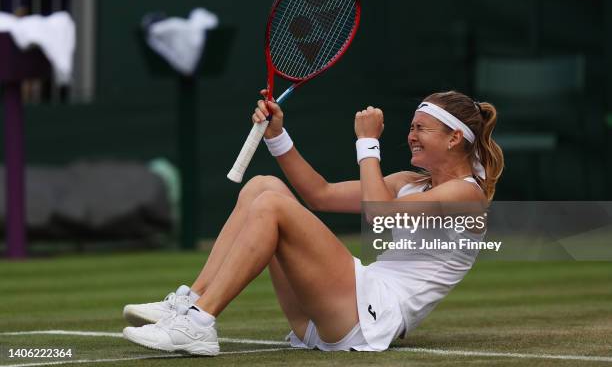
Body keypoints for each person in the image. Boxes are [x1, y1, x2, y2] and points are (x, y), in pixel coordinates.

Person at [122, 90, 504, 356]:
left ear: (455, 138)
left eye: (421, 128)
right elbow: (319, 194)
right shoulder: (407, 183)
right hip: (331, 315)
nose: (410, 136)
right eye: (411, 127)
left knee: (272, 204)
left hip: (371, 316)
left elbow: (380, 213)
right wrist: (277, 135)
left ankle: (200, 324)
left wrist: (368, 142)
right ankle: (191, 302)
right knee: (263, 186)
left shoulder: (467, 195)